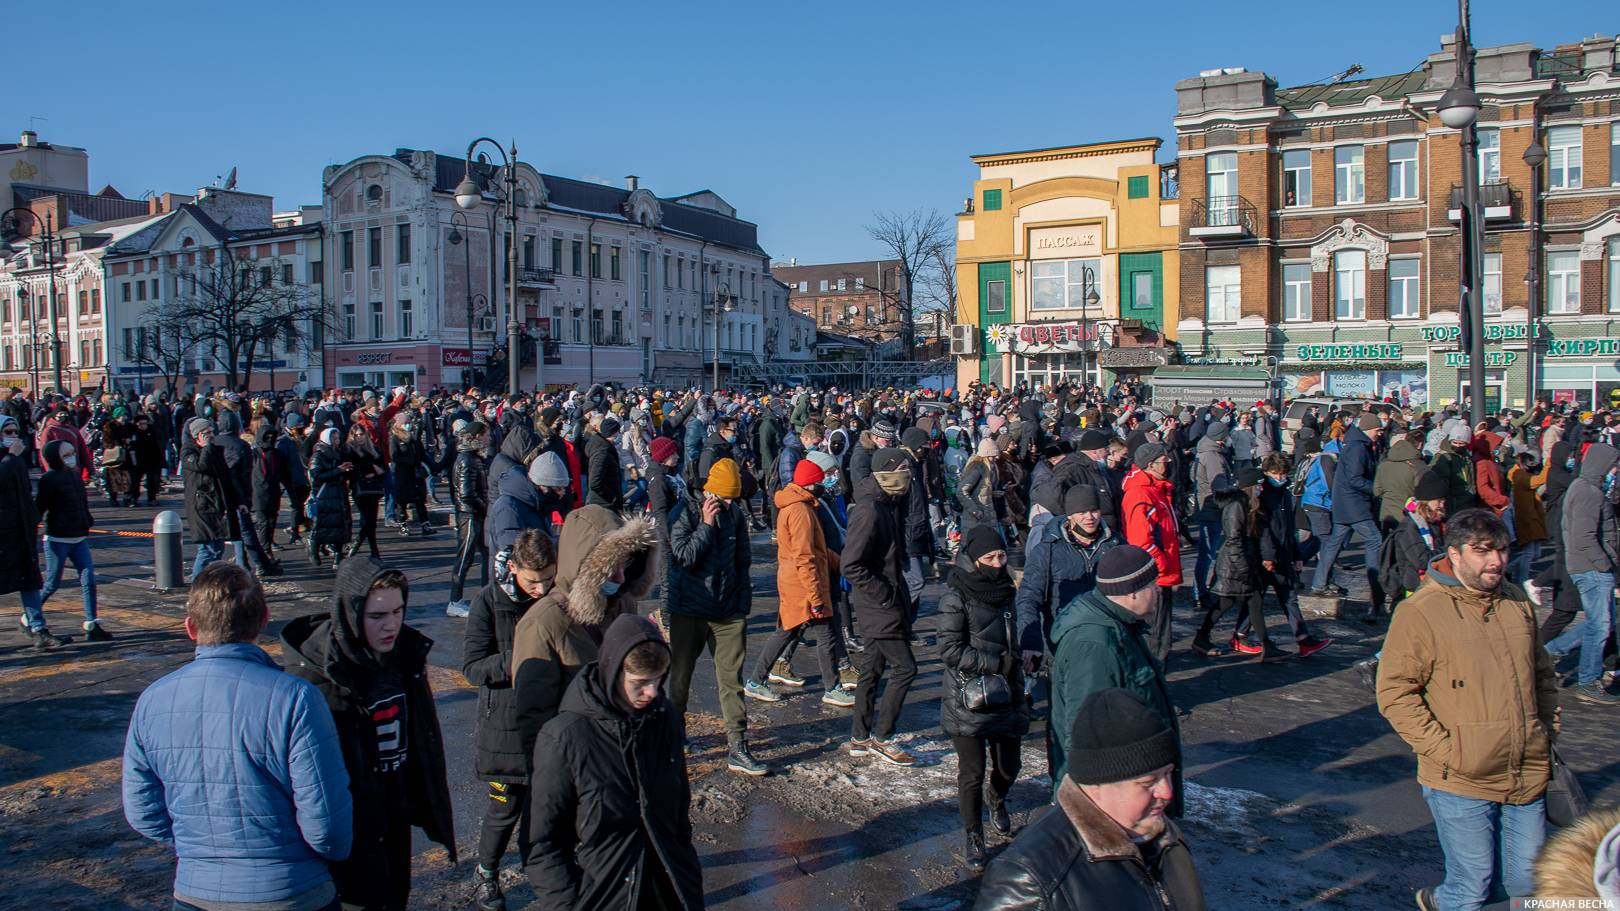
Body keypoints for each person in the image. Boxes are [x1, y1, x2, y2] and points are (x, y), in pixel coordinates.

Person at [122, 562, 353, 911]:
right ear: (264, 620)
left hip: (194, 891)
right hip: (291, 888)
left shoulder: (153, 699)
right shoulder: (295, 697)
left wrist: (199, 849)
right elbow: (325, 822)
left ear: (190, 628)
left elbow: (142, 811)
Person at [1377, 508, 1559, 911]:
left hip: (1525, 766)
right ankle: (1442, 902)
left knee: (1528, 883)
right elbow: (1395, 693)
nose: (1496, 561)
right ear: (1455, 554)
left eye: (1502, 550)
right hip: (1460, 777)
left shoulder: (1516, 602)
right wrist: (1448, 752)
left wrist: (1546, 730)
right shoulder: (1421, 611)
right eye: (1482, 551)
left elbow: (1542, 675)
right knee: (1473, 885)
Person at [280, 558, 457, 911]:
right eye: (378, 616)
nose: (391, 624)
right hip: (349, 827)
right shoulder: (316, 677)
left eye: (398, 611)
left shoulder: (405, 656)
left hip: (394, 810)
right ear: (351, 612)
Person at [525, 613, 705, 910]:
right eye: (640, 682)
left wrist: (688, 872)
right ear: (612, 671)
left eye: (659, 679)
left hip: (670, 887)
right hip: (605, 895)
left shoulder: (665, 718)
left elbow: (679, 813)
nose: (652, 692)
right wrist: (568, 904)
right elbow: (543, 843)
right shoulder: (565, 737)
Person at [973, 688, 1205, 911]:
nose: (1167, 792)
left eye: (1168, 774)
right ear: (1097, 784)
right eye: (1148, 782)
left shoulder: (1166, 836)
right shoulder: (1029, 877)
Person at [510, 505, 659, 764]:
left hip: (622, 756)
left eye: (625, 564)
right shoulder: (543, 622)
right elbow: (533, 720)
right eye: (610, 568)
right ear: (584, 568)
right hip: (577, 763)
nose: (621, 577)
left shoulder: (621, 604)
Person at [463, 530, 557, 911]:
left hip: (547, 722)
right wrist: (520, 658)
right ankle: (486, 872)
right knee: (504, 809)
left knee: (543, 810)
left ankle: (542, 873)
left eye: (549, 579)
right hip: (503, 727)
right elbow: (472, 667)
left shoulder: (554, 597)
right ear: (513, 568)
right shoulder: (488, 602)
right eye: (533, 581)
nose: (541, 588)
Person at [1047, 545, 1180, 811]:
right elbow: (1084, 728)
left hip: (1133, 785)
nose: (1158, 591)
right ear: (1132, 592)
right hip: (1114, 797)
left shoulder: (1120, 625)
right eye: (1152, 585)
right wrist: (1087, 806)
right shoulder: (1095, 645)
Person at [666, 456, 765, 776]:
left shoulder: (735, 514)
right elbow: (684, 558)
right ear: (709, 492)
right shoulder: (684, 513)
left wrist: (742, 606)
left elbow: (743, 561)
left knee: (731, 681)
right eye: (722, 498)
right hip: (689, 610)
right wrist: (706, 526)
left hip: (727, 613)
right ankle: (675, 733)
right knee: (680, 678)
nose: (726, 504)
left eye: (732, 499)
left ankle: (738, 745)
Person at [938, 525, 1028, 873]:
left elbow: (1018, 632)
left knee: (1009, 765)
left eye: (1001, 556)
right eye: (989, 558)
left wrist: (1027, 657)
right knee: (971, 773)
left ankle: (999, 797)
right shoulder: (955, 596)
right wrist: (995, 663)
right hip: (968, 696)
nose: (997, 562)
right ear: (974, 561)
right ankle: (973, 834)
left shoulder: (1009, 590)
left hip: (1007, 691)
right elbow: (948, 649)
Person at [746, 455, 853, 708]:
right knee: (823, 635)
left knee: (787, 632)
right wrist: (816, 598)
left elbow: (816, 551)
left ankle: (756, 680)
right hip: (805, 585)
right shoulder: (801, 511)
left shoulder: (796, 506)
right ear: (811, 483)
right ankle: (832, 687)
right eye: (820, 480)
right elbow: (806, 556)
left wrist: (840, 563)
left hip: (796, 583)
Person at [843, 447, 919, 766]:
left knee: (871, 671)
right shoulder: (870, 509)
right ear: (886, 471)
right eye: (902, 468)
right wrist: (884, 594)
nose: (908, 475)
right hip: (879, 605)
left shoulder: (888, 502)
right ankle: (882, 738)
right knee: (906, 668)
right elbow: (851, 564)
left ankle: (860, 736)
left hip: (884, 599)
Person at [1545, 442, 1620, 705]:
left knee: (1599, 623)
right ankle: (1588, 681)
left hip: (1586, 566)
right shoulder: (1589, 492)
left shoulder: (1582, 488)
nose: (1615, 470)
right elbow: (1585, 537)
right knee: (1600, 626)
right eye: (1613, 465)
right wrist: (1605, 566)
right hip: (1592, 568)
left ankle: (1551, 651)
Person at [1015, 483, 1119, 660]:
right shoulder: (1047, 550)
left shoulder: (1115, 544)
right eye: (1082, 512)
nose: (1089, 517)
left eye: (1094, 510)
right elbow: (1028, 598)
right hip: (1067, 636)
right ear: (1070, 515)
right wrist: (1030, 642)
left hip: (1110, 633)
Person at [36, 439, 111, 641]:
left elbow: (82, 503)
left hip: (78, 537)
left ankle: (91, 622)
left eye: (73, 453)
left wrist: (87, 520)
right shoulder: (49, 479)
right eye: (66, 455)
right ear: (55, 458)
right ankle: (31, 615)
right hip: (57, 539)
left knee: (89, 580)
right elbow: (39, 508)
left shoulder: (76, 476)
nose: (72, 458)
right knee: (52, 583)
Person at [1310, 413, 1385, 604]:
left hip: (1344, 503)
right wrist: (1375, 489)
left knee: (1334, 543)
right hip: (1354, 504)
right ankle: (1376, 587)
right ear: (1369, 429)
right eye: (1378, 430)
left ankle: (1319, 583)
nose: (1380, 433)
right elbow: (1355, 478)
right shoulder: (1358, 448)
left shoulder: (1356, 445)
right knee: (1374, 539)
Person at [3, 414, 61, 650]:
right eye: (7, 433)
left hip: (19, 531)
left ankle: (37, 627)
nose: (13, 437)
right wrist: (10, 458)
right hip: (3, 532)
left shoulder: (15, 460)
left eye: (15, 432)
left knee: (29, 581)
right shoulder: (10, 459)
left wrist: (32, 519)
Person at [1120, 443, 1181, 665]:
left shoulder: (1156, 489)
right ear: (1150, 465)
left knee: (1161, 631)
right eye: (1165, 462)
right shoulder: (1141, 494)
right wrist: (1161, 564)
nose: (1168, 465)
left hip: (1161, 571)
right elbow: (1141, 539)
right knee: (1156, 634)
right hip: (1154, 574)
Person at [446, 420, 491, 617]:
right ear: (477, 437)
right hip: (469, 515)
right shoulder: (467, 459)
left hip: (475, 514)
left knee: (486, 555)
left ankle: (485, 596)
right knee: (465, 557)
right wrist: (485, 507)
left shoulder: (473, 457)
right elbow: (467, 494)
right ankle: (454, 600)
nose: (489, 439)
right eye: (486, 435)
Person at [181, 418, 235, 580]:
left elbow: (224, 477)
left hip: (216, 505)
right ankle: (197, 583)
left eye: (212, 432)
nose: (211, 436)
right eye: (207, 433)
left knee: (218, 548)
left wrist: (236, 501)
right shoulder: (189, 451)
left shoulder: (214, 450)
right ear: (198, 435)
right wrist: (205, 448)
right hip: (201, 506)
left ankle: (209, 581)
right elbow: (201, 466)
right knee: (207, 549)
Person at [306, 428, 352, 568]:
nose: (337, 441)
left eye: (338, 438)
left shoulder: (340, 453)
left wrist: (346, 472)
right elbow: (317, 475)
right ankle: (313, 548)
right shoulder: (318, 456)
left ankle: (338, 555)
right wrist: (338, 470)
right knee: (321, 524)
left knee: (340, 525)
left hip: (338, 492)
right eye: (334, 438)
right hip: (324, 495)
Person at [343, 423, 388, 559]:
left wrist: (374, 469)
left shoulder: (373, 449)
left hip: (373, 487)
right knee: (367, 519)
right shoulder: (350, 450)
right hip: (359, 488)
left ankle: (364, 545)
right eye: (356, 435)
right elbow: (351, 469)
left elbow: (382, 467)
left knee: (371, 520)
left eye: (361, 434)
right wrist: (370, 467)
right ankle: (371, 548)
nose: (359, 438)